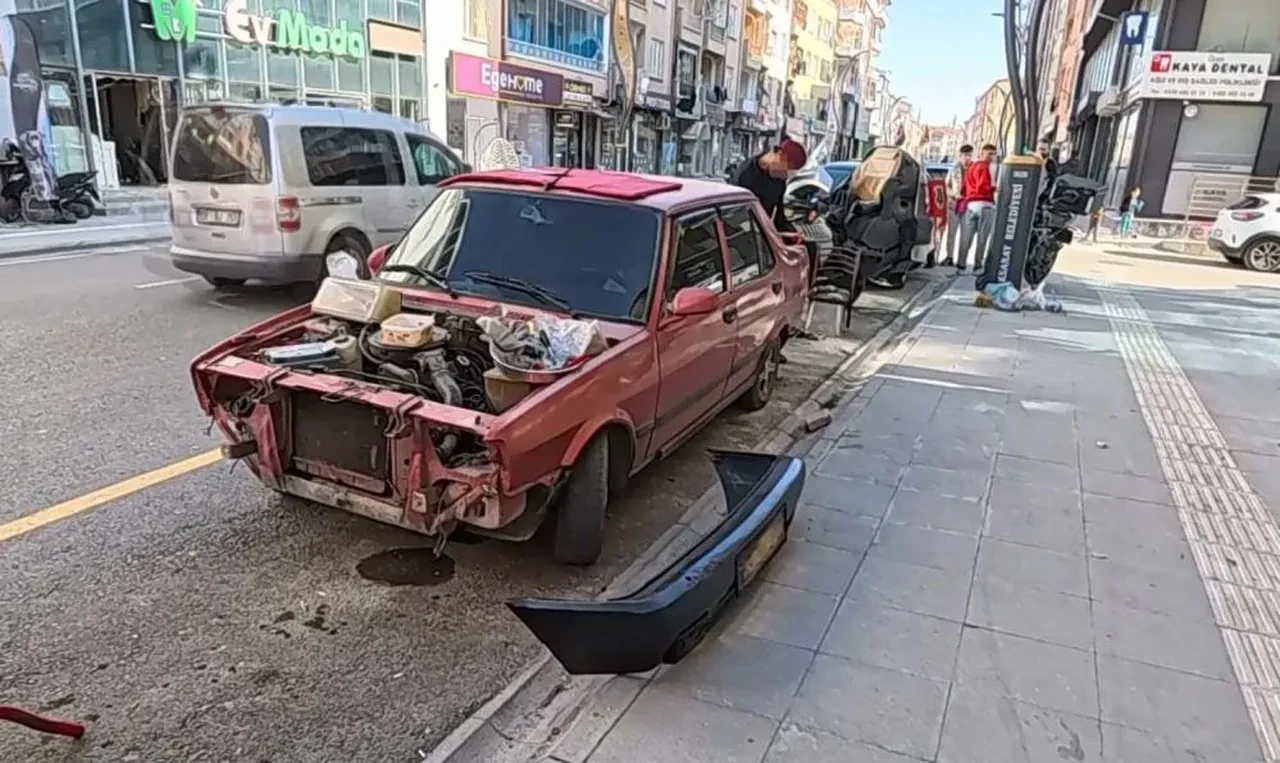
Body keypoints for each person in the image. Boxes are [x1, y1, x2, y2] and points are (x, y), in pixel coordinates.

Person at [729, 138, 809, 232]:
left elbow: (778, 218)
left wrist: (791, 234)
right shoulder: (744, 175)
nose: (785, 175)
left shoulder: (779, 181)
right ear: (778, 154)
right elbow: (734, 218)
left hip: (764, 237)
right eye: (785, 168)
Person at [956, 143, 998, 274]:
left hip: (970, 204)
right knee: (982, 238)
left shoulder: (971, 167)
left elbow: (963, 187)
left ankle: (961, 266)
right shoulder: (984, 167)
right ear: (983, 153)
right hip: (985, 204)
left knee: (966, 237)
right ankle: (978, 266)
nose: (992, 157)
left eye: (993, 154)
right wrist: (995, 188)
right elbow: (983, 186)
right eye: (990, 154)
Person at [942, 145, 973, 267]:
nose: (967, 158)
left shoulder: (974, 169)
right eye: (965, 155)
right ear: (960, 156)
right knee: (952, 233)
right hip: (955, 204)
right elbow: (946, 186)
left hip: (969, 205)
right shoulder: (954, 169)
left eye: (969, 155)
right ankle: (949, 257)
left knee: (966, 234)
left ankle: (962, 260)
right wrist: (954, 194)